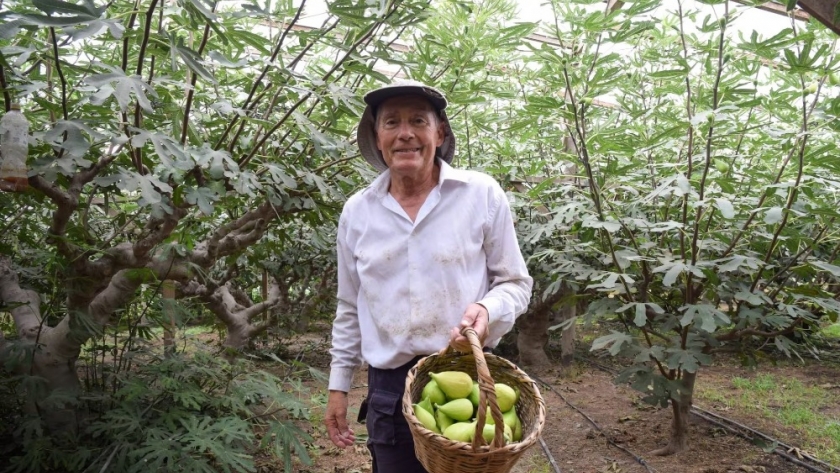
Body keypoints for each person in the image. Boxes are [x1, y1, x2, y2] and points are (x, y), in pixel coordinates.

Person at [324, 79, 533, 472]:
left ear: (440, 132)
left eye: (418, 120)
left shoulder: (481, 195)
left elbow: (515, 284)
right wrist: (338, 386)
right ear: (377, 137)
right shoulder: (357, 212)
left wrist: (488, 310)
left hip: (468, 380)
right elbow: (350, 305)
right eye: (391, 123)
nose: (405, 133)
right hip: (388, 389)